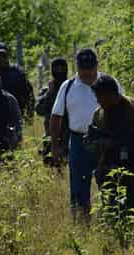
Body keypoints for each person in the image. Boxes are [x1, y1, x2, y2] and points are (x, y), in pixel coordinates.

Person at [50, 48, 118, 222]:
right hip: (79, 142)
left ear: (97, 66)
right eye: (83, 70)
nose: (87, 73)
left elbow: (124, 109)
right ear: (77, 68)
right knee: (79, 186)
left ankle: (111, 220)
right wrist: (55, 147)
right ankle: (81, 223)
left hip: (106, 142)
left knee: (110, 183)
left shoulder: (110, 83)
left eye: (91, 69)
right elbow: (56, 116)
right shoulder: (68, 87)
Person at [88, 74, 134, 213]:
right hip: (108, 169)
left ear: (113, 94)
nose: (99, 101)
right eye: (98, 98)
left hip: (133, 169)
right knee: (110, 210)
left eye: (101, 97)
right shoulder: (98, 116)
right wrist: (104, 144)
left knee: (129, 211)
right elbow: (90, 143)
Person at [0, 42, 35, 120]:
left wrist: (30, 114)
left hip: (16, 116)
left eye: (4, 56)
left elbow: (29, 95)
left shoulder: (18, 73)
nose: (1, 59)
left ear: (8, 56)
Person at [36, 57, 69, 136]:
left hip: (69, 134)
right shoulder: (46, 91)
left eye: (62, 68)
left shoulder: (72, 88)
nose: (59, 71)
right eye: (57, 69)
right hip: (51, 133)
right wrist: (49, 93)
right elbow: (39, 111)